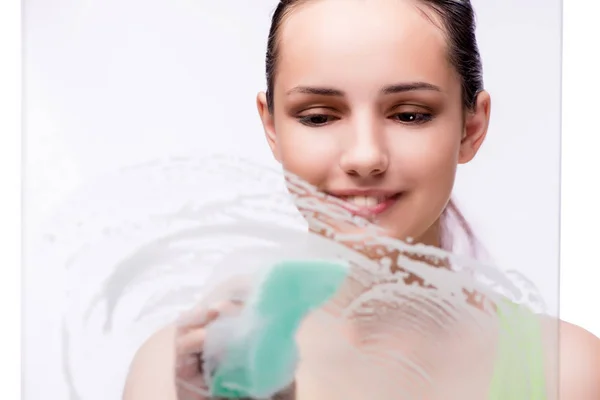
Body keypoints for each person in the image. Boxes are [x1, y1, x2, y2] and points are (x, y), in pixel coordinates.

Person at [122, 0, 600, 399]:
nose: (366, 156)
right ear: (272, 127)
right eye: (318, 116)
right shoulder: (172, 378)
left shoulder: (570, 374)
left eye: (410, 115)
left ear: (471, 127)